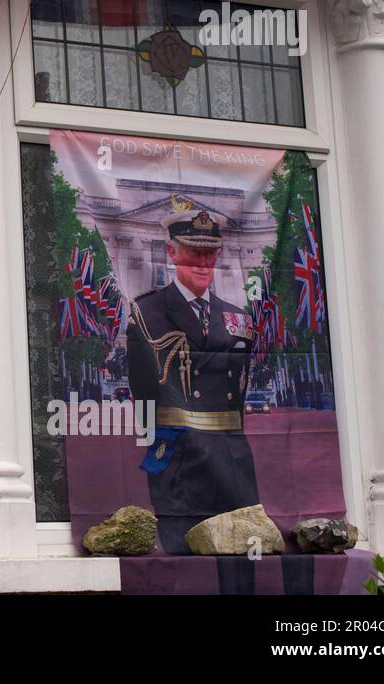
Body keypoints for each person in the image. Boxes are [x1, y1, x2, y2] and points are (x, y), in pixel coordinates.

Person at [125, 204, 258, 555]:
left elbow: (239, 393)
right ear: (172, 252)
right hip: (180, 455)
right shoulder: (147, 313)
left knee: (242, 557)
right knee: (182, 562)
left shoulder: (237, 318)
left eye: (210, 253)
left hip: (230, 453)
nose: (202, 262)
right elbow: (142, 390)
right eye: (193, 252)